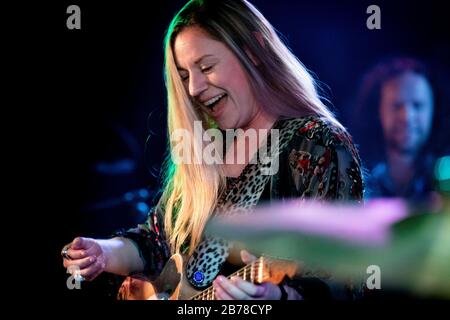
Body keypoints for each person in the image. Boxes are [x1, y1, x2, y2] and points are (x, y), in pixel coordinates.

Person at [62, 0, 363, 300]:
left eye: (206, 66)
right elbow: (156, 240)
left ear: (253, 51)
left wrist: (278, 296)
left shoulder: (317, 143)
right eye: (183, 76)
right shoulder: (207, 148)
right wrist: (101, 252)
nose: (193, 88)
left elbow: (343, 280)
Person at [353, 57, 443, 206]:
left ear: (434, 110)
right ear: (378, 111)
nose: (407, 117)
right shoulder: (353, 172)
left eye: (418, 105)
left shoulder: (445, 175)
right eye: (396, 105)